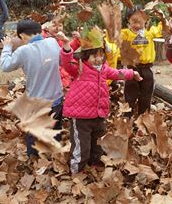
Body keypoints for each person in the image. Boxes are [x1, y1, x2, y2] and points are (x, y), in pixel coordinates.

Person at [59, 27, 142, 174]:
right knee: (81, 146)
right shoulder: (79, 68)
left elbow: (117, 73)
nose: (98, 59)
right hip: (81, 117)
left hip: (98, 115)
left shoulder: (104, 68)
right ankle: (76, 171)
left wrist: (131, 73)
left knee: (98, 143)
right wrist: (66, 46)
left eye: (100, 55)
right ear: (85, 57)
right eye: (93, 56)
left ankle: (95, 164)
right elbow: (66, 63)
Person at [0, 20, 63, 157]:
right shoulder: (52, 42)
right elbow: (61, 61)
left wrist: (6, 47)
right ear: (39, 31)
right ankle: (57, 159)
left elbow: (5, 65)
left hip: (36, 102)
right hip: (56, 98)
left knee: (33, 136)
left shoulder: (23, 51)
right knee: (55, 130)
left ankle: (33, 160)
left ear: (22, 36)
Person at [121, 5, 162, 117]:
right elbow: (113, 38)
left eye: (140, 21)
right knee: (130, 95)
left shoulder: (149, 32)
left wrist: (162, 17)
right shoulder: (126, 33)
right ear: (128, 20)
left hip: (147, 68)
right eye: (134, 21)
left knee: (146, 95)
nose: (137, 25)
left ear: (146, 20)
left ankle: (143, 119)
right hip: (132, 68)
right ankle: (126, 119)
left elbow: (161, 29)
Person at [41, 16, 81, 89]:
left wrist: (77, 40)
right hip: (51, 75)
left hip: (63, 76)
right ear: (46, 27)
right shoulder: (43, 38)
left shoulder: (59, 39)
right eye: (54, 25)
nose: (57, 28)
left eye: (60, 25)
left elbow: (66, 51)